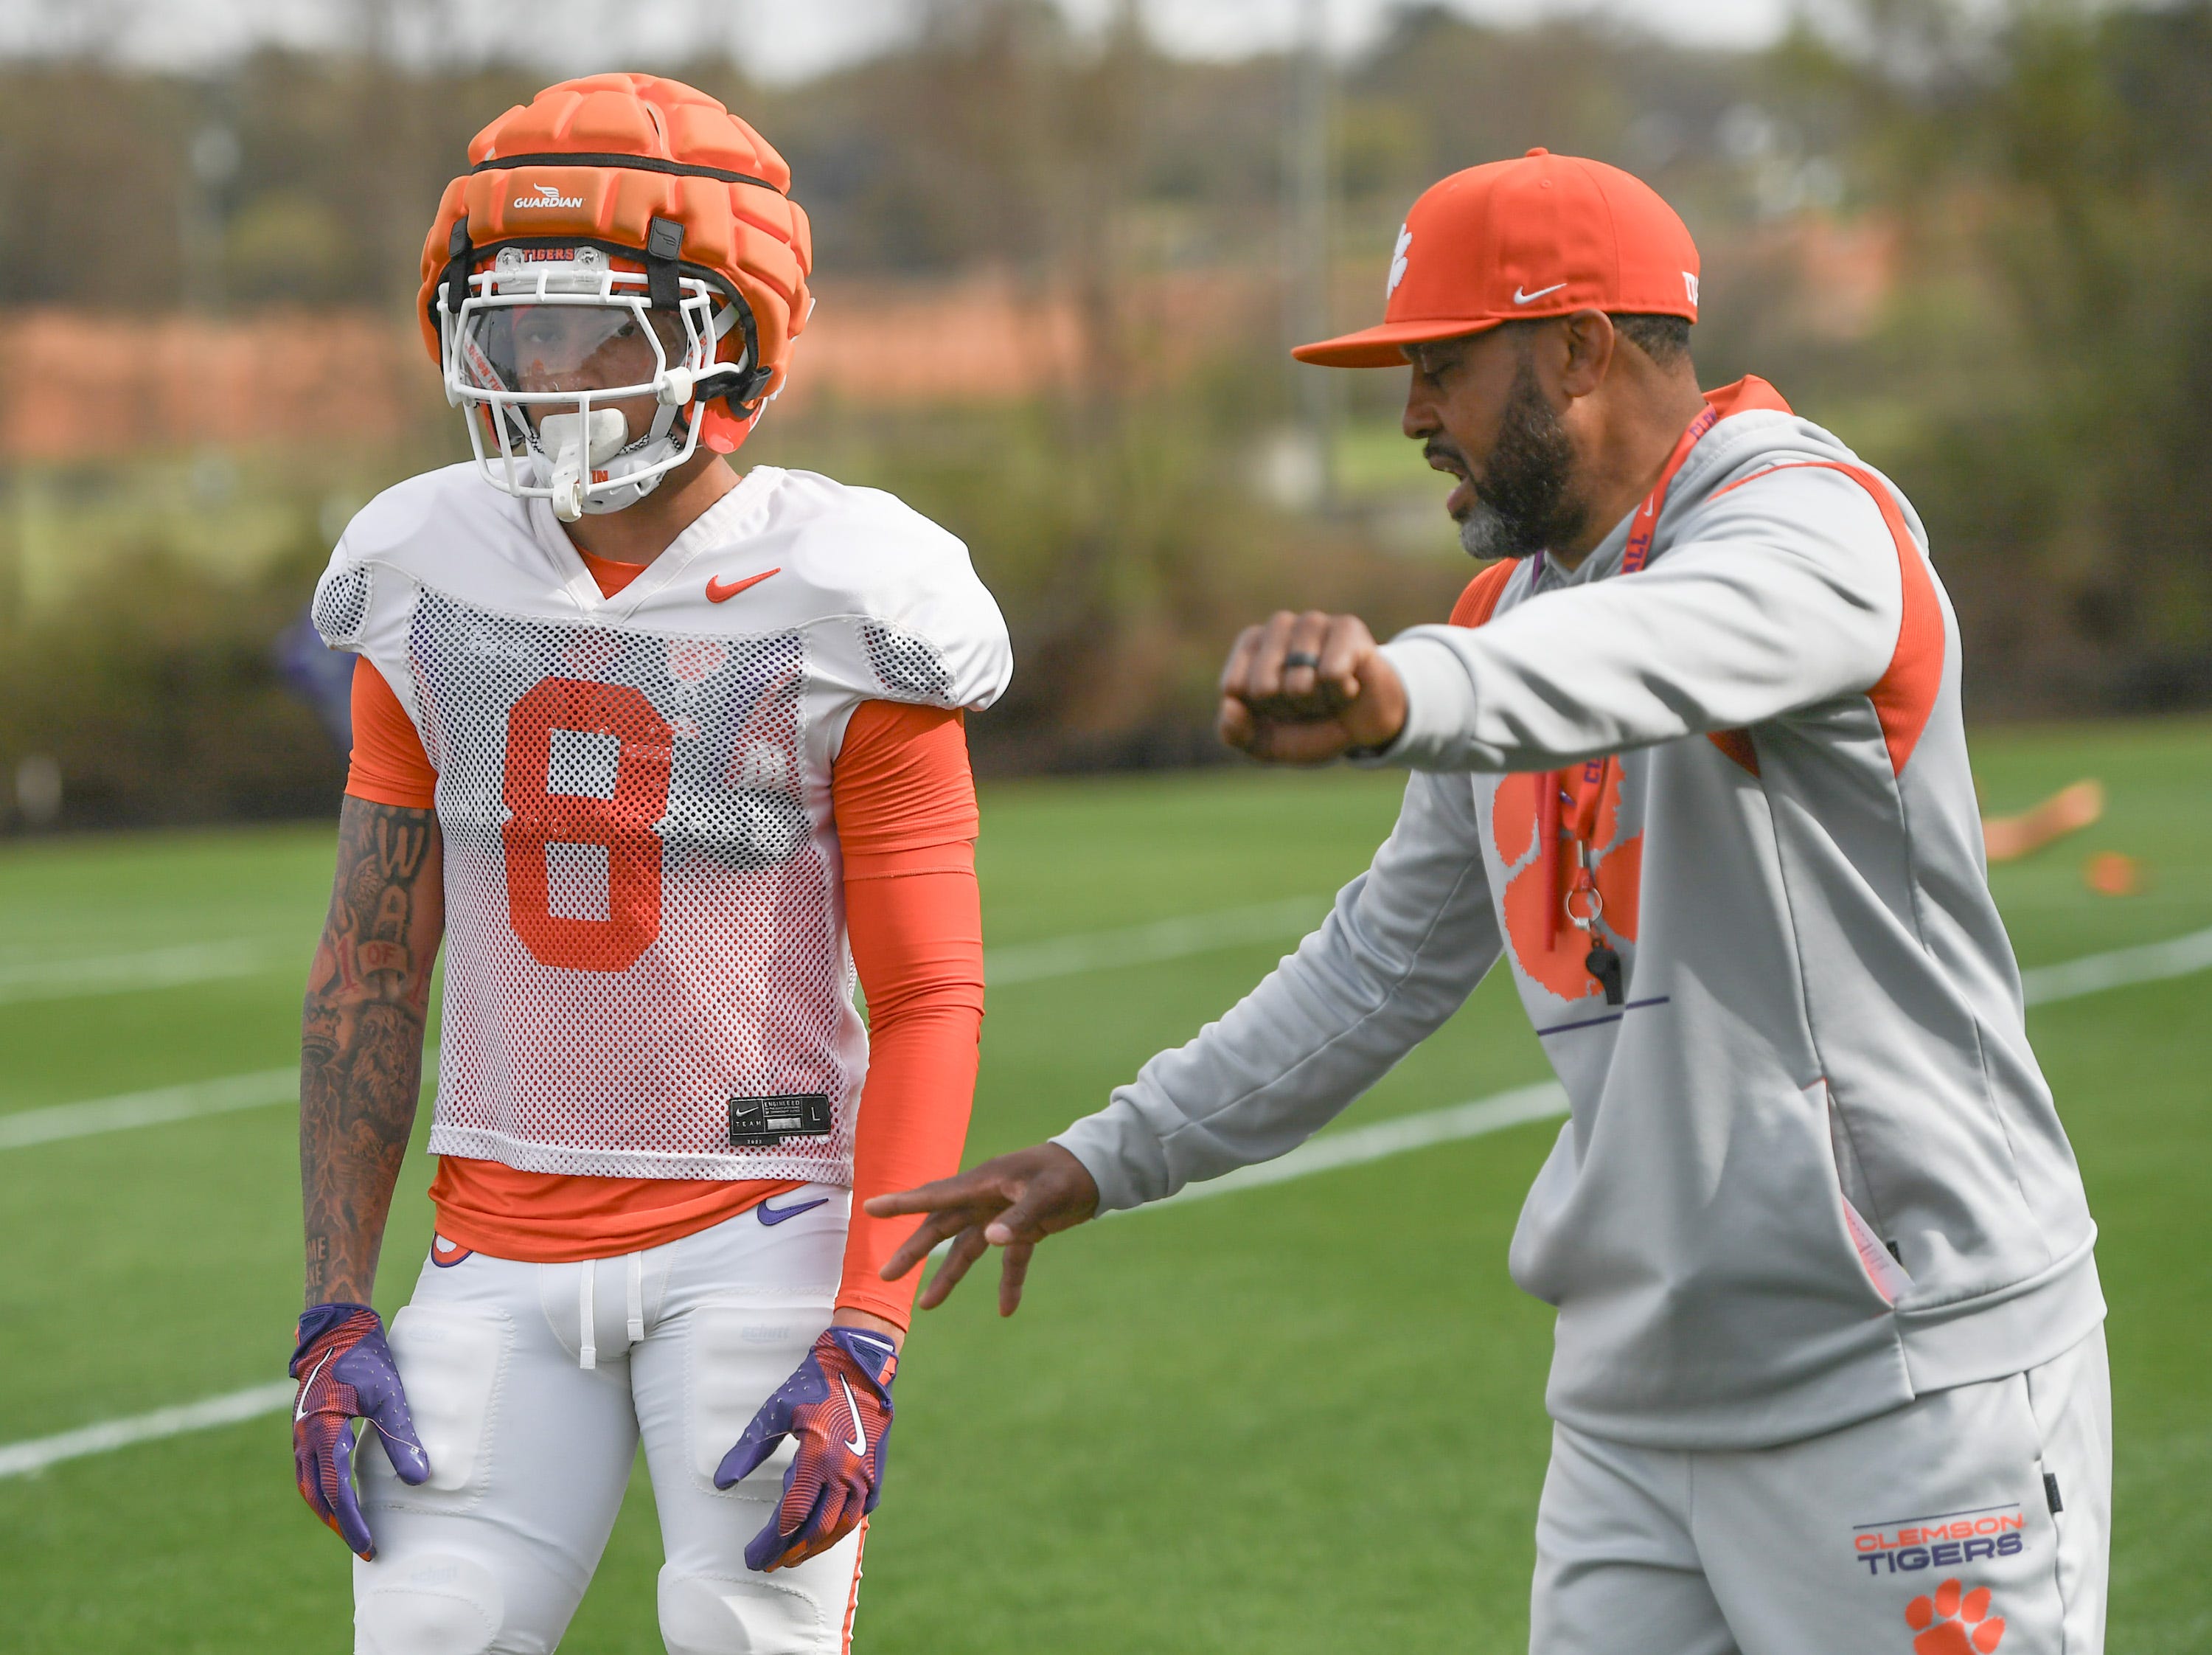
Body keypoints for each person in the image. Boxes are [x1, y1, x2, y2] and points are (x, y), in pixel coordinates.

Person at [869, 150, 2109, 1654]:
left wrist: (1408, 692)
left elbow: (1679, 638)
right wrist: (1103, 1156)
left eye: (1443, 367)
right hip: (1636, 1416)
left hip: (1910, 1389)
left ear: (1581, 347)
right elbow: (1381, 968)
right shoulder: (1513, 610)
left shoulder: (1817, 524)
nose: (1409, 417)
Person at [287, 74, 1011, 1654]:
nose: (546, 373)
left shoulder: (852, 589)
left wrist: (867, 1333)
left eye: (597, 325)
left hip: (761, 1227)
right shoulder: (421, 568)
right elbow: (367, 967)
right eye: (514, 328)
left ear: (731, 332)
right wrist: (337, 1298)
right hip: (490, 1240)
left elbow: (933, 992)